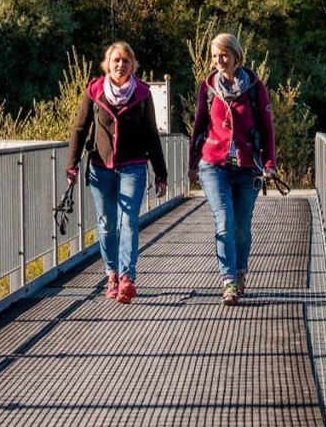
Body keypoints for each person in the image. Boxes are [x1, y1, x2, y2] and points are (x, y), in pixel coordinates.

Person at [66, 41, 168, 304]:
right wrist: (72, 165)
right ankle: (111, 274)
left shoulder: (143, 94)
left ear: (132, 64)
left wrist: (161, 173)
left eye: (125, 61)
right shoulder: (94, 91)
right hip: (101, 169)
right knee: (106, 225)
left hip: (133, 166)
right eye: (116, 61)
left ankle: (127, 278)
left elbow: (151, 134)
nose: (121, 65)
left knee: (128, 221)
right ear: (107, 65)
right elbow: (79, 129)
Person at [187, 33, 277, 306]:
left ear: (237, 57)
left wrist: (270, 163)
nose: (218, 61)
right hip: (214, 166)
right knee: (224, 222)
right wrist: (192, 163)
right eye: (215, 56)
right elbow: (199, 125)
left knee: (241, 227)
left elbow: (267, 129)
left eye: (223, 55)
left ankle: (239, 273)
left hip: (248, 168)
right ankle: (228, 281)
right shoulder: (208, 87)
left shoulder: (254, 88)